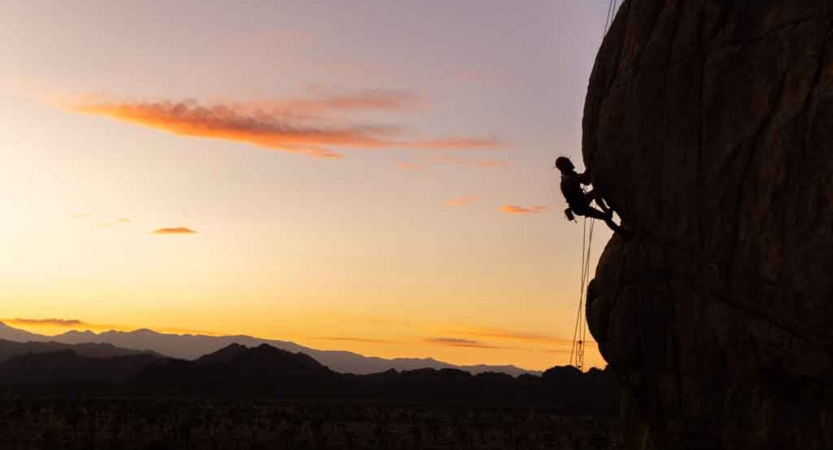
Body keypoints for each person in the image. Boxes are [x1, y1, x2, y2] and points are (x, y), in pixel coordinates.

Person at [555, 156, 631, 237]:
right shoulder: (570, 177)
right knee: (605, 217)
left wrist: (588, 168)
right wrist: (589, 166)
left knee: (596, 192)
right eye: (569, 162)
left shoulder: (566, 178)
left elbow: (584, 178)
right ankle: (624, 234)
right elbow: (586, 181)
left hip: (579, 204)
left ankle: (607, 212)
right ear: (566, 165)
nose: (571, 163)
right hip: (581, 206)